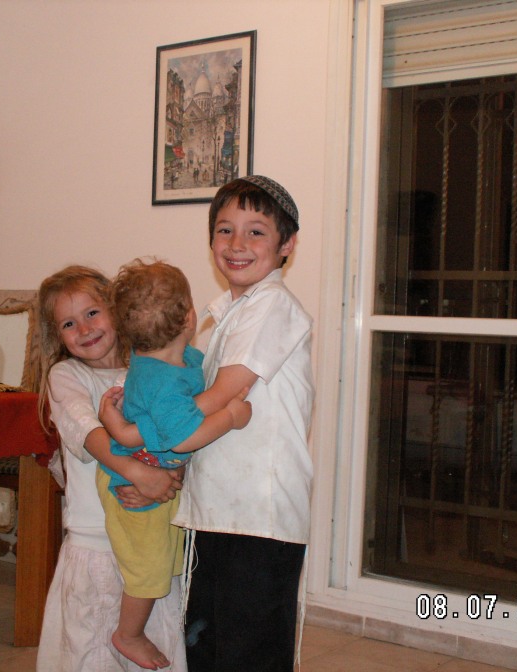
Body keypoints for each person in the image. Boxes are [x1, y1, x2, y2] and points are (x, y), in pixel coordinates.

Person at [172, 176, 315, 671]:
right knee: (206, 645)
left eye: (256, 232)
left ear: (286, 245)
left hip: (258, 517)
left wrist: (153, 441)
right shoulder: (231, 313)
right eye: (224, 229)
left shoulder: (272, 304)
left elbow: (222, 395)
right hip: (220, 509)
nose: (236, 244)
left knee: (248, 652)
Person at [96, 259, 252, 670]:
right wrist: (230, 417)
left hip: (151, 467)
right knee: (148, 568)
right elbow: (183, 437)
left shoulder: (179, 360)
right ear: (188, 318)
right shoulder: (161, 381)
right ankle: (128, 634)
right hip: (131, 482)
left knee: (166, 557)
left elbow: (187, 406)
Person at [34, 265, 188, 672]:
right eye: (69, 323)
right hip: (97, 544)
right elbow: (89, 435)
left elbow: (180, 435)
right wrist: (140, 474)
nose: (84, 329)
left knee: (157, 640)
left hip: (154, 538)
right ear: (57, 335)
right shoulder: (66, 376)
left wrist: (169, 479)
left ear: (117, 312)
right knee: (93, 650)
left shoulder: (150, 369)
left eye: (92, 313)